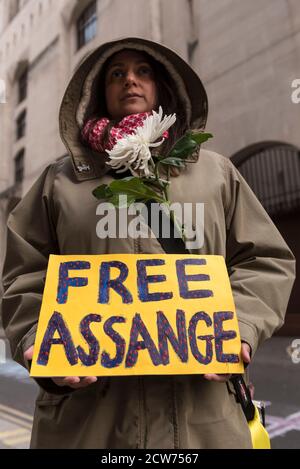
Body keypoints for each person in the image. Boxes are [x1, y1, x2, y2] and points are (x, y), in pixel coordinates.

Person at [0, 37, 295, 449]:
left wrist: (242, 326)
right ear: (99, 93)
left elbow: (265, 260)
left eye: (143, 71)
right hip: (87, 425)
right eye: (116, 74)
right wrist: (36, 341)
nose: (130, 81)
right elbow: (23, 273)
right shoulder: (60, 181)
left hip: (203, 424)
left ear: (163, 86)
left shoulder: (217, 174)